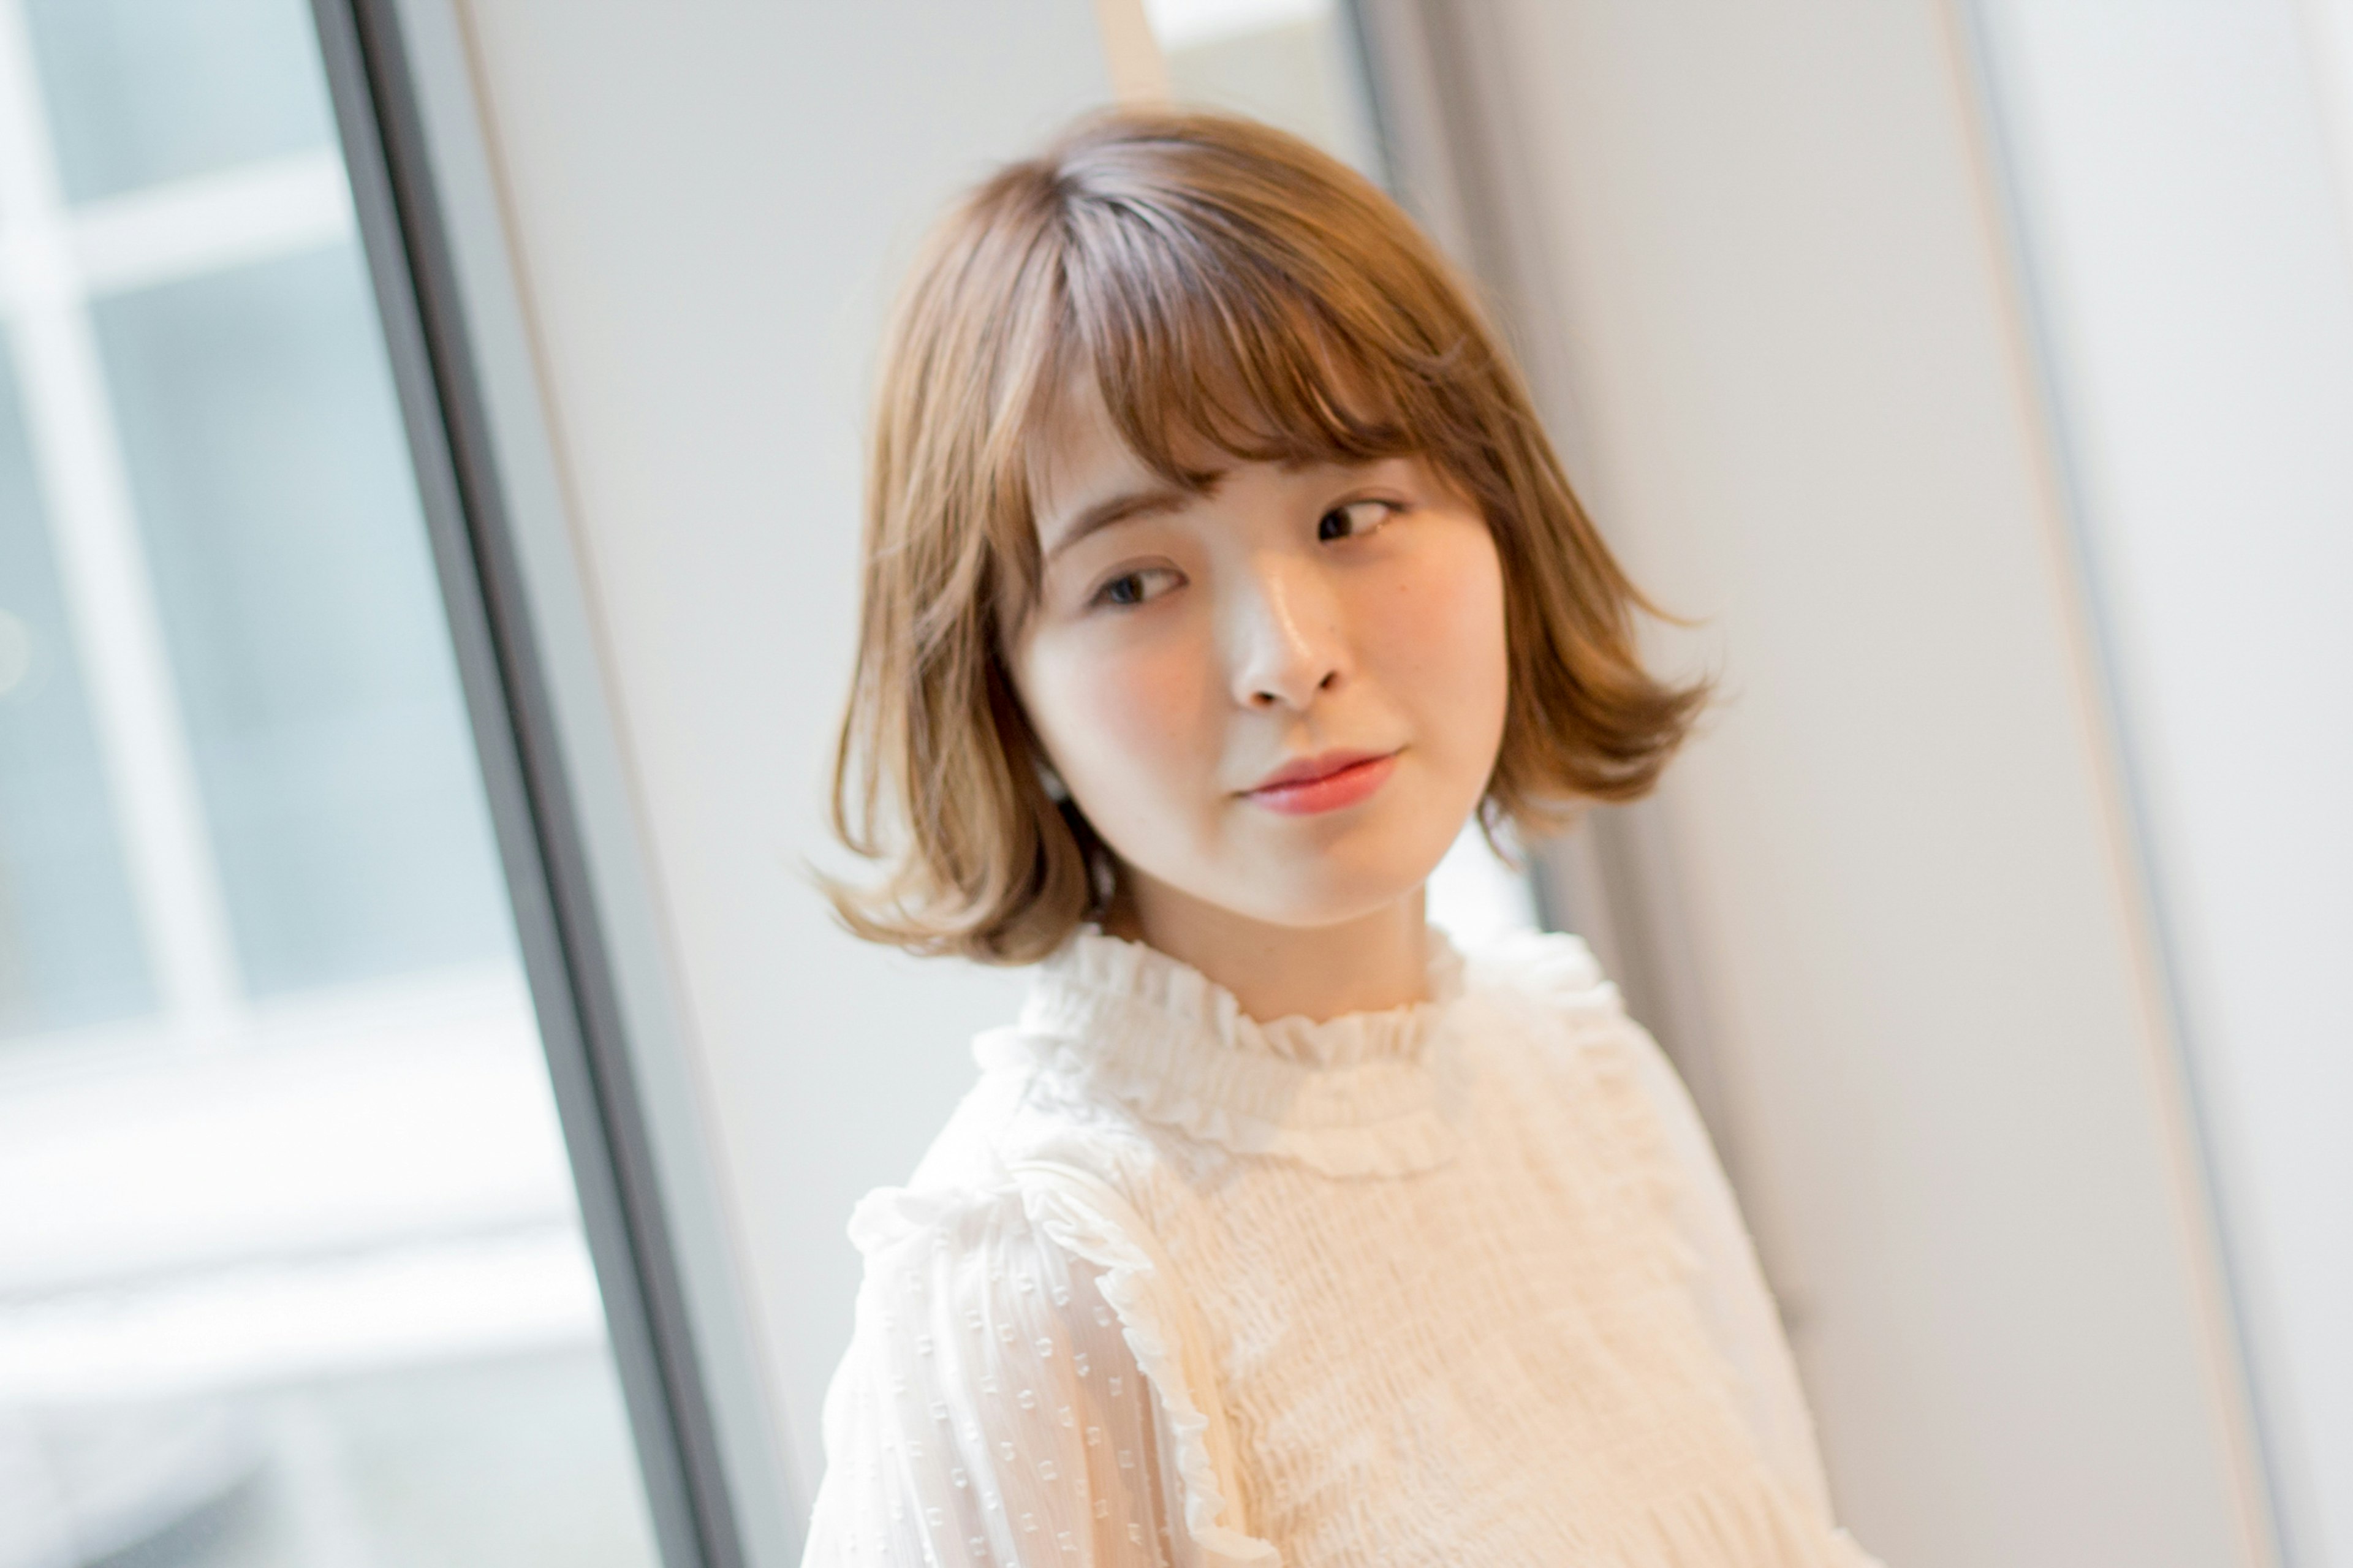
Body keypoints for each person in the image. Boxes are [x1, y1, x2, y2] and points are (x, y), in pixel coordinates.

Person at [803, 109, 1882, 1567]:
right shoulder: (1046, 1273)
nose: (1286, 655)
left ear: (1502, 521)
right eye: (1134, 582)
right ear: (1003, 688)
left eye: (1351, 512)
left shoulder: (1581, 1079)